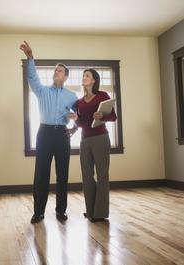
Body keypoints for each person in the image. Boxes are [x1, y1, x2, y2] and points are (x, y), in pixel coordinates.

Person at [20, 41, 78, 223]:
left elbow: (80, 115)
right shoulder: (42, 91)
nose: (56, 72)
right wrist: (30, 58)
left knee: (62, 174)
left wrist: (74, 125)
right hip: (44, 134)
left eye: (59, 70)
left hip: (62, 135)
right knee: (41, 174)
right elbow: (32, 77)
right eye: (55, 70)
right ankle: (39, 212)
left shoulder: (71, 96)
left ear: (66, 76)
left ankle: (61, 211)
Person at [69, 68, 116, 222]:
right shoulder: (80, 102)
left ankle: (100, 213)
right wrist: (75, 119)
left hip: (100, 138)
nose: (84, 77)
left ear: (94, 80)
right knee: (87, 176)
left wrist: (102, 115)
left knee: (102, 176)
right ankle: (91, 211)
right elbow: (81, 124)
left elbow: (113, 116)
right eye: (83, 76)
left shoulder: (103, 95)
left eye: (87, 75)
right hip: (85, 140)